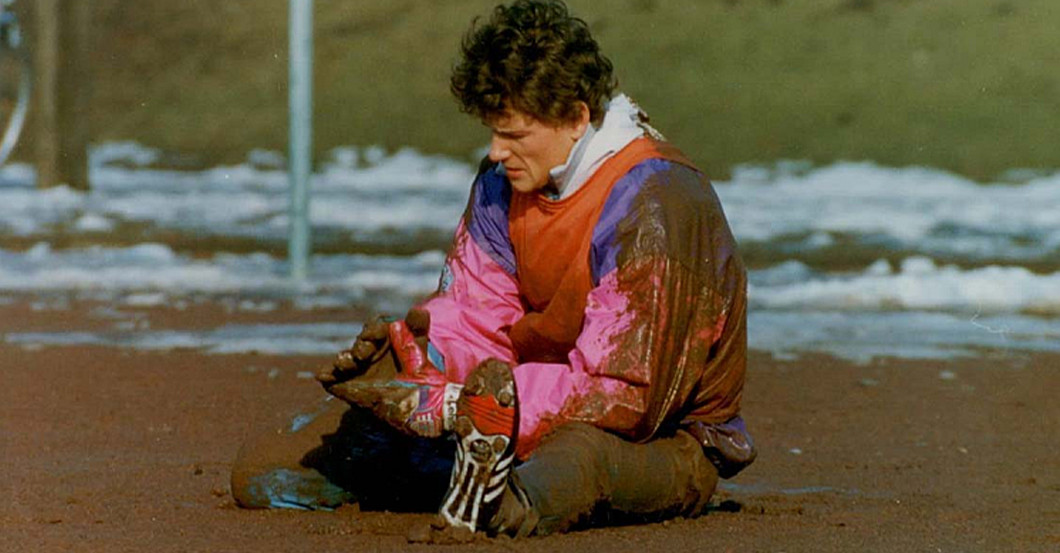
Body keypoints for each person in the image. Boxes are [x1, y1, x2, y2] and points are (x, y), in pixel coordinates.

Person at [231, 0, 755, 538]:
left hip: (656, 439)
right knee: (267, 471)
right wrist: (415, 366)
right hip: (505, 418)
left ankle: (502, 502)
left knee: (580, 459)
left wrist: (468, 406)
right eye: (492, 131)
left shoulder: (654, 201)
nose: (495, 150)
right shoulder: (500, 184)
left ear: (577, 117)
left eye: (514, 135)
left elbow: (625, 396)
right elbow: (475, 317)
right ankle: (470, 478)